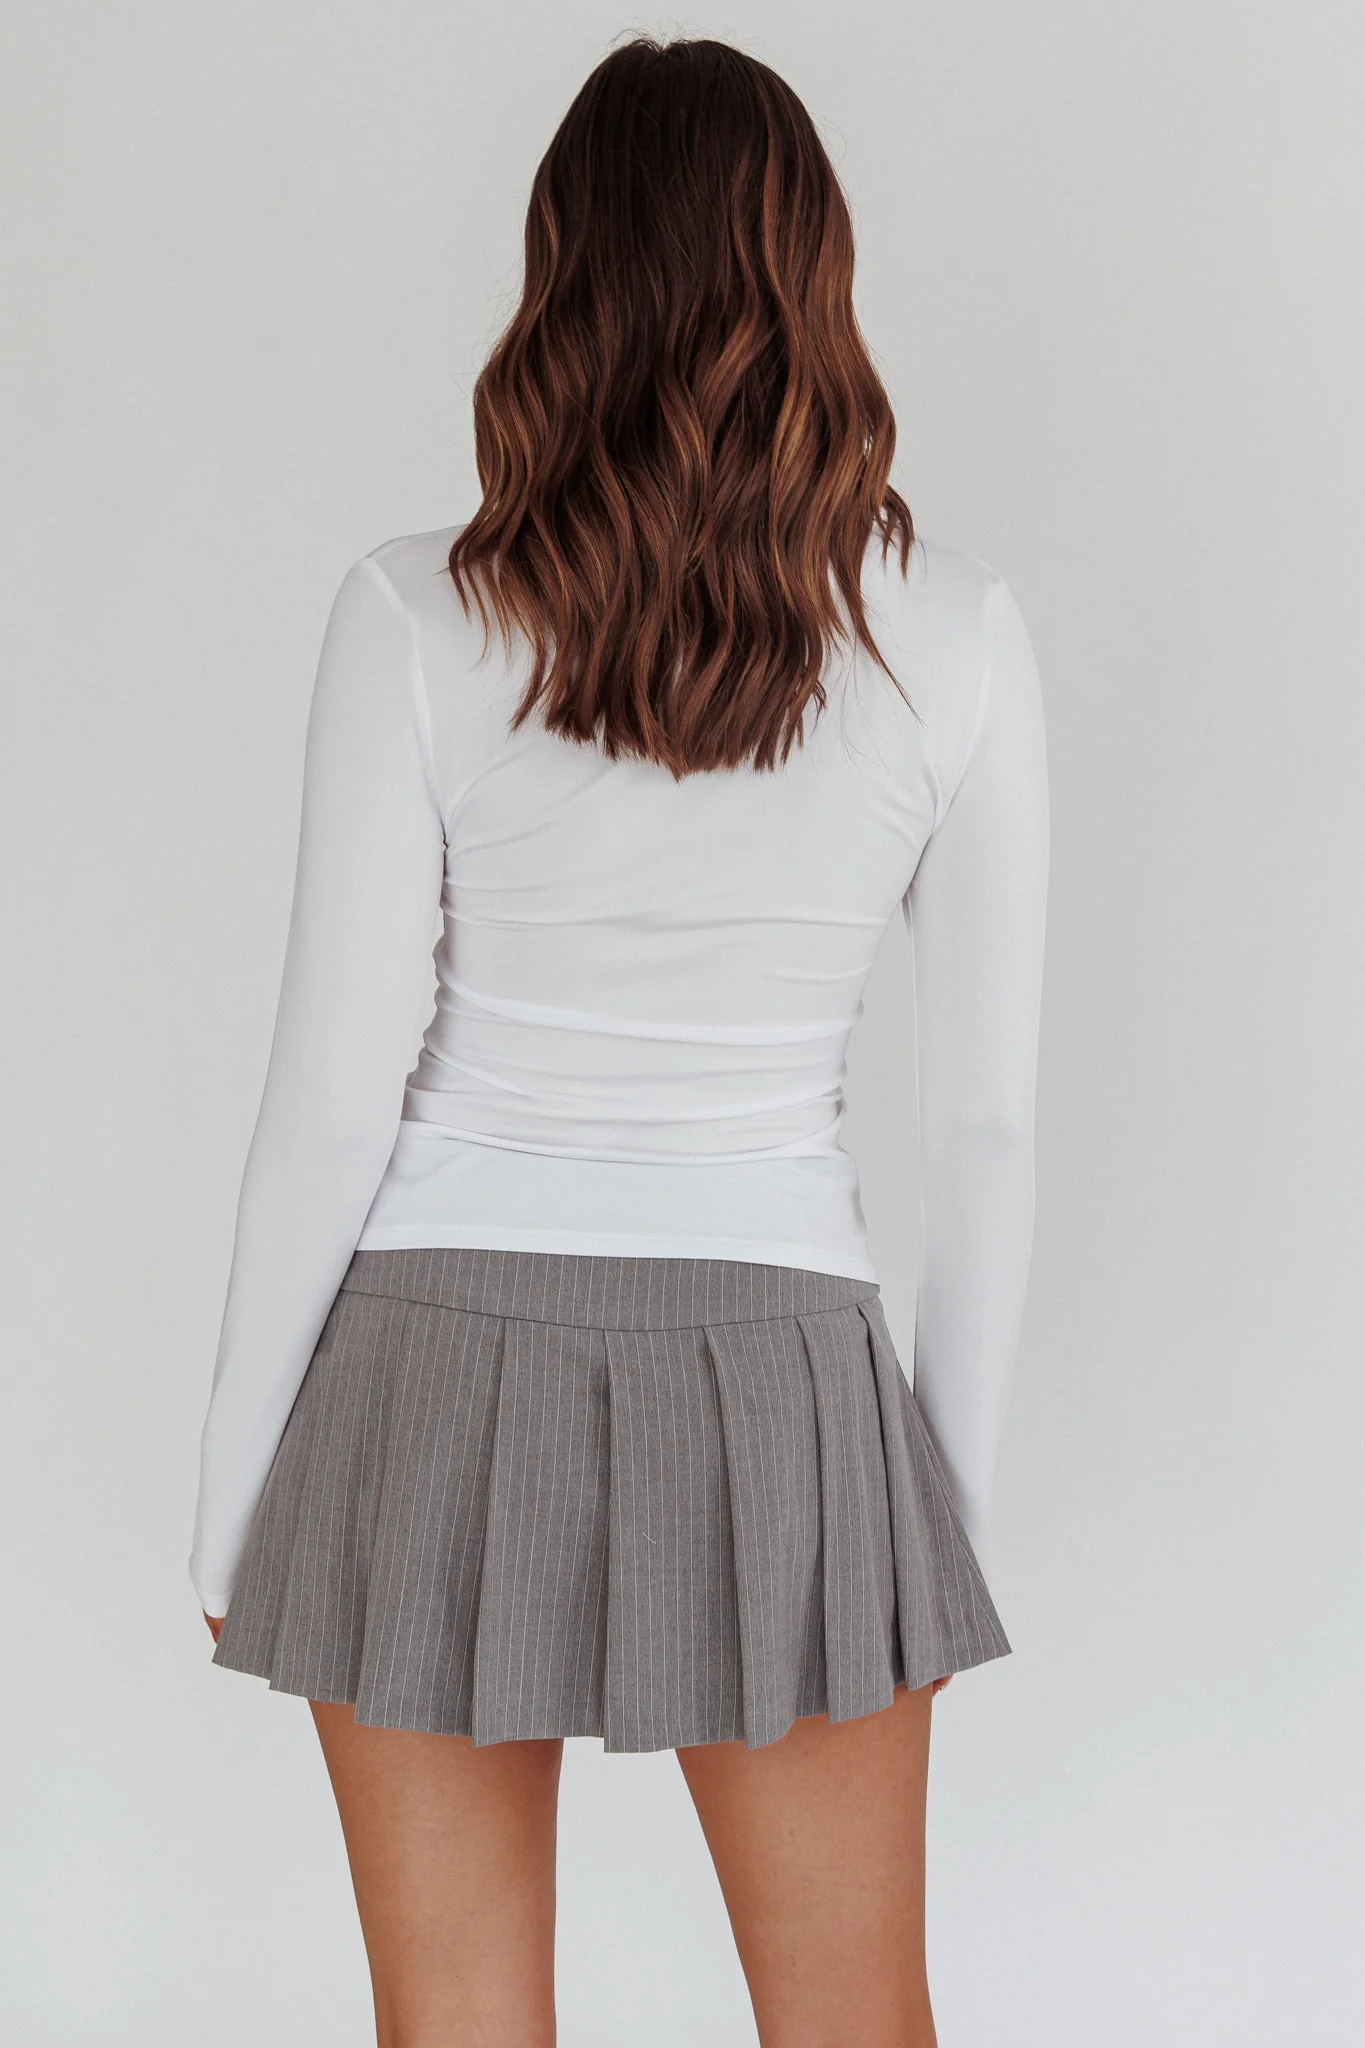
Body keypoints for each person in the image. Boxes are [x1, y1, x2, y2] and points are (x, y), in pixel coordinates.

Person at [191, 34, 1049, 2048]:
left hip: (423, 1361)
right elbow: (986, 1129)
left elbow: (328, 1101)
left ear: (557, 273)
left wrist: (232, 1492)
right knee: (856, 2023)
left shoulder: (415, 613)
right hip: (782, 1364)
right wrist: (947, 1520)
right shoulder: (956, 632)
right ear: (815, 271)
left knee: (455, 2026)